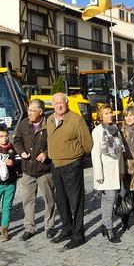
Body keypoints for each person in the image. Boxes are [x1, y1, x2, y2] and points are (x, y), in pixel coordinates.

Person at [47, 93, 93, 250]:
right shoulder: (50, 119)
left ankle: (78, 235)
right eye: (56, 103)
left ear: (67, 103)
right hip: (56, 165)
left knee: (76, 201)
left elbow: (87, 143)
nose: (59, 105)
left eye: (61, 102)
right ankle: (67, 229)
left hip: (72, 165)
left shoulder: (76, 119)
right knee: (61, 200)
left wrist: (76, 156)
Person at [13, 99, 56, 241]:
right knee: (28, 200)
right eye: (28, 110)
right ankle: (29, 228)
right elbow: (17, 140)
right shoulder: (24, 123)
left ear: (40, 112)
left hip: (45, 171)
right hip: (27, 169)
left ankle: (49, 226)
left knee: (48, 199)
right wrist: (21, 152)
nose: (29, 113)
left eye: (32, 110)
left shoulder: (49, 123)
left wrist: (47, 153)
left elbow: (56, 142)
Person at [91, 104, 124, 243]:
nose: (109, 115)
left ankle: (105, 226)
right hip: (105, 172)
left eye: (110, 112)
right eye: (106, 113)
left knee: (108, 200)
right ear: (100, 116)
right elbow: (95, 153)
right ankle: (109, 228)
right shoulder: (97, 131)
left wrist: (121, 171)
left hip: (115, 171)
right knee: (110, 199)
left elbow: (120, 153)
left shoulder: (116, 130)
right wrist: (98, 175)